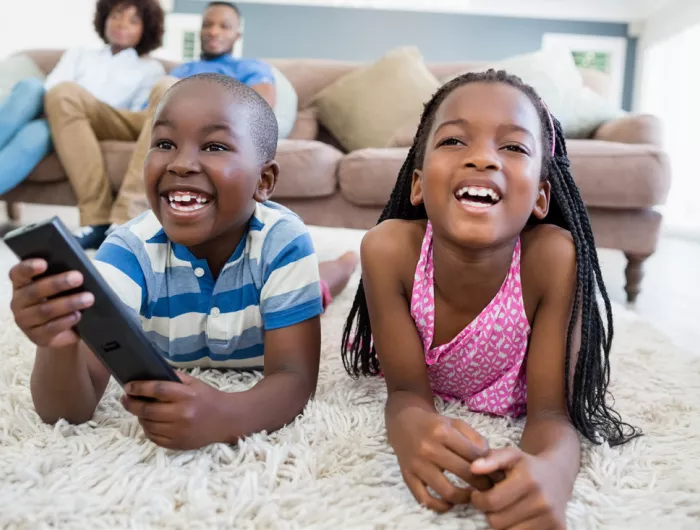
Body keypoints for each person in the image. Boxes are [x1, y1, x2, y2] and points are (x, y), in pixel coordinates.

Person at [341, 69, 640, 528]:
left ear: (542, 197)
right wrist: (408, 425)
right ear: (417, 185)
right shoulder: (387, 250)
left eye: (514, 147)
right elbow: (405, 393)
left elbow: (550, 413)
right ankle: (334, 270)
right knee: (329, 278)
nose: (482, 158)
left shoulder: (553, 260)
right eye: (454, 141)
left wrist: (552, 475)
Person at [9, 74, 358, 450]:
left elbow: (294, 379)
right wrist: (56, 345)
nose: (181, 163)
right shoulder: (128, 250)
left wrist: (228, 414)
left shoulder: (284, 241)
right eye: (164, 143)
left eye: (214, 146)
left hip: (272, 299)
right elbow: (67, 412)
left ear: (265, 181)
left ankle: (346, 261)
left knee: (321, 286)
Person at [54, 1, 287, 250]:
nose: (214, 31)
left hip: (193, 128)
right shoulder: (183, 68)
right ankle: (95, 218)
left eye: (224, 26)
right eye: (208, 24)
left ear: (237, 34)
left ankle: (124, 221)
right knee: (63, 93)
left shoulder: (251, 67)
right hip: (149, 121)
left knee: (169, 87)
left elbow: (260, 107)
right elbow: (149, 107)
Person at [0, 0, 165, 197]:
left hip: (84, 125)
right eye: (115, 16)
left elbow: (132, 117)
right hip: (52, 109)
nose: (121, 24)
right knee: (30, 87)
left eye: (133, 21)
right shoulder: (80, 54)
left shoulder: (150, 70)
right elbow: (53, 87)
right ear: (103, 19)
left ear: (146, 28)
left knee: (37, 133)